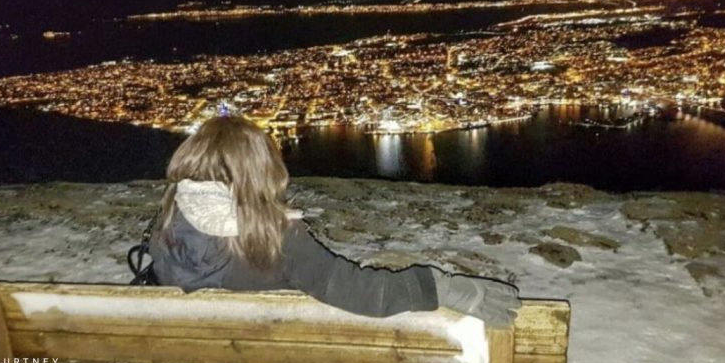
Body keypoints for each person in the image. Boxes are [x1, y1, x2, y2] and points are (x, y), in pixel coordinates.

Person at [148, 115, 520, 326]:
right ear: (258, 168)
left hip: (197, 355)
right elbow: (360, 292)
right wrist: (443, 287)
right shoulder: (277, 239)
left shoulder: (169, 220)